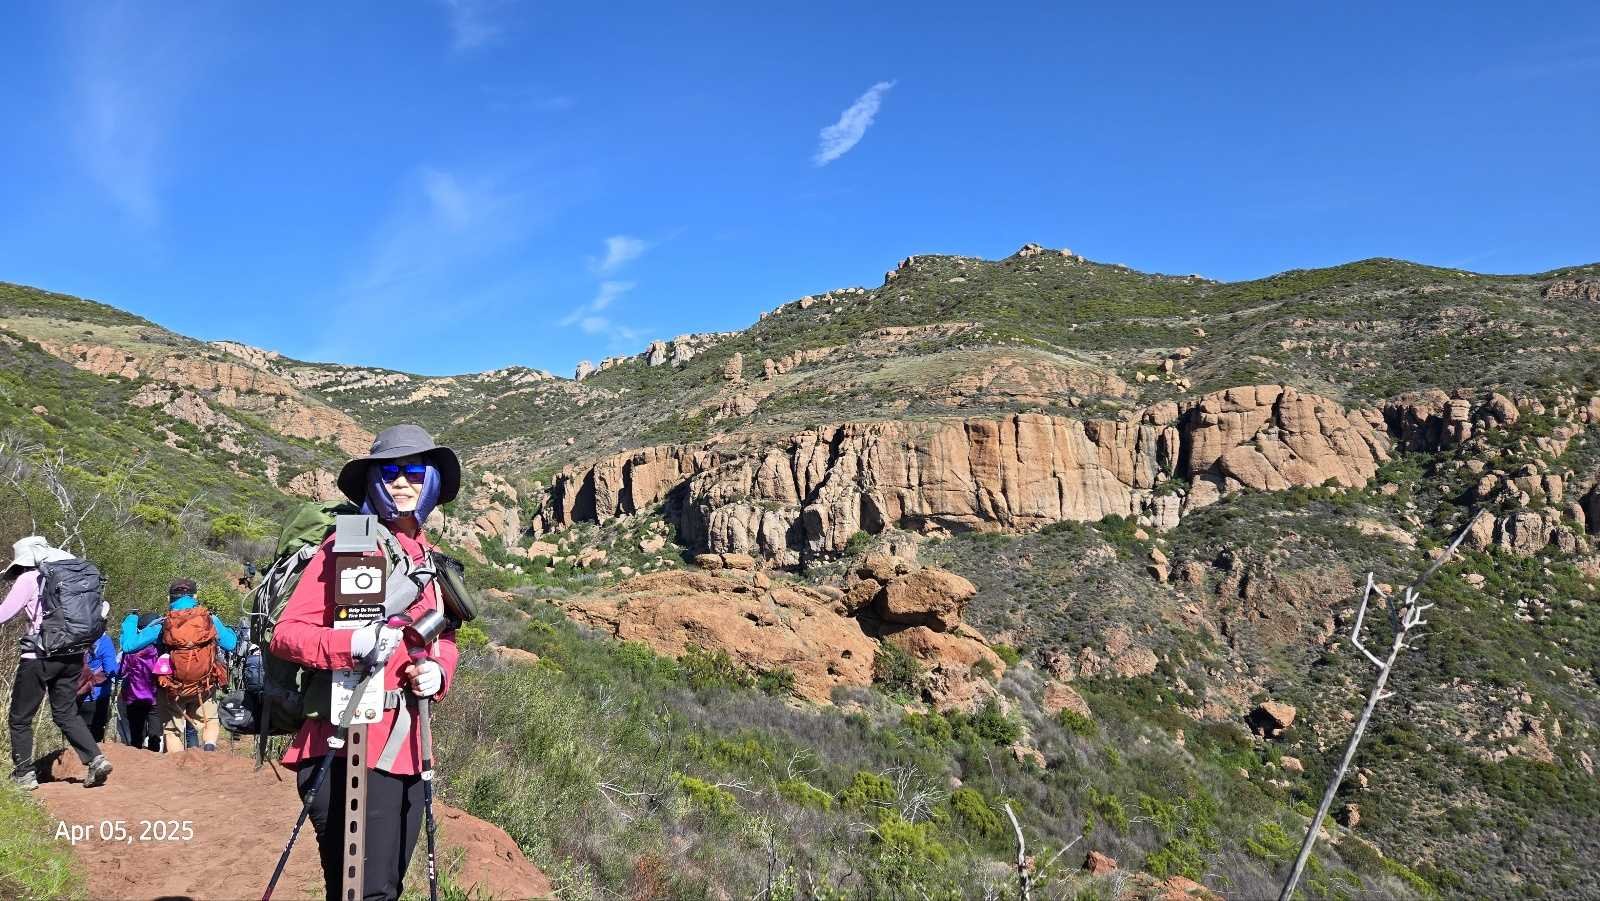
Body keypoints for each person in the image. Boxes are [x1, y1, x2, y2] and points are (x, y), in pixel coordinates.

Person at [271, 424, 461, 901]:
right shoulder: (348, 545)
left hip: (409, 747)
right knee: (364, 893)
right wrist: (354, 643)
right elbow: (286, 635)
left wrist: (438, 673)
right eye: (390, 471)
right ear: (374, 479)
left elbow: (445, 638)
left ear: (432, 481)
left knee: (385, 889)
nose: (403, 482)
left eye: (415, 472)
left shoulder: (433, 559)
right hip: (346, 743)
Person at [2, 536, 113, 789]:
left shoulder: (29, 579)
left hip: (39, 657)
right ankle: (96, 759)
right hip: (73, 655)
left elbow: (4, 614)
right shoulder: (73, 578)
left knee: (20, 718)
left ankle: (24, 774)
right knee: (65, 712)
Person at [121, 578, 238, 753]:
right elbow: (231, 644)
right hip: (203, 684)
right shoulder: (209, 620)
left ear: (169, 598)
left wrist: (131, 619)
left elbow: (128, 646)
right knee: (210, 720)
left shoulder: (164, 624)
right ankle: (209, 748)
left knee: (171, 730)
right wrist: (226, 630)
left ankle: (178, 762)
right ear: (195, 596)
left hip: (173, 688)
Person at [117, 613, 165, 751]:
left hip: (133, 696)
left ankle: (136, 754)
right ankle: (155, 753)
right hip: (155, 695)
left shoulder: (131, 651)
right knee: (155, 731)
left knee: (136, 732)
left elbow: (121, 672)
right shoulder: (160, 650)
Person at [75, 631, 119, 742]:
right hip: (97, 695)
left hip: (75, 693)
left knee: (78, 732)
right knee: (95, 733)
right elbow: (110, 670)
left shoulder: (76, 636)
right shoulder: (104, 641)